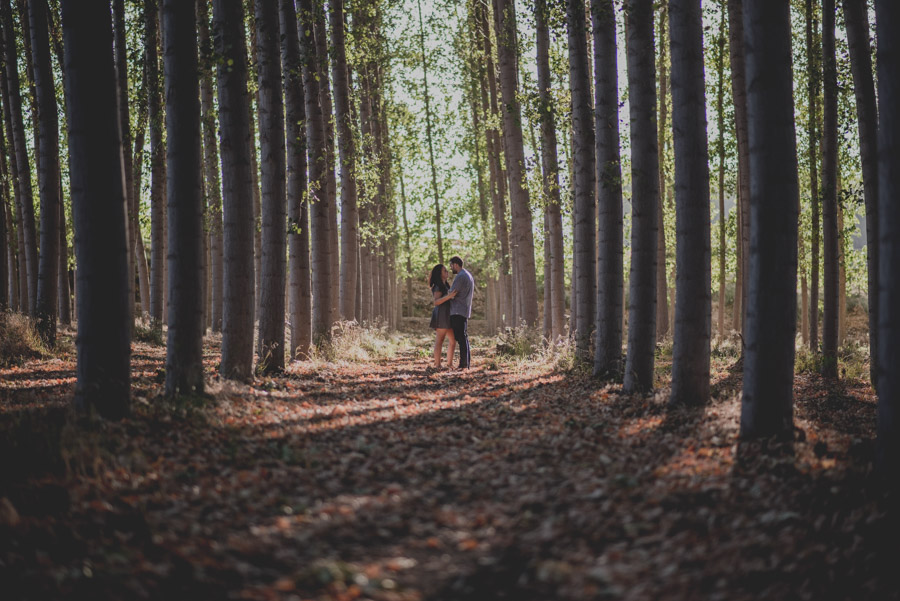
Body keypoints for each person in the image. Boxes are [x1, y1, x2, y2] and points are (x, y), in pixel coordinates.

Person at [429, 264, 457, 369]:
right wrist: (449, 296)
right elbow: (436, 302)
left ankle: (449, 364)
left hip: (449, 314)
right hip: (441, 314)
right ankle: (437, 364)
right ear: (439, 274)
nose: (447, 272)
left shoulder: (447, 285)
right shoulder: (438, 286)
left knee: (453, 341)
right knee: (440, 340)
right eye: (444, 271)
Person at [448, 256, 474, 369]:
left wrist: (444, 296)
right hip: (463, 309)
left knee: (461, 338)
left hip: (458, 310)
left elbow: (452, 293)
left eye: (451, 265)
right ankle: (466, 363)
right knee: (463, 337)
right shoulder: (467, 275)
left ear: (456, 264)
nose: (450, 268)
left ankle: (463, 364)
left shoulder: (460, 276)